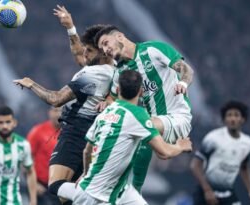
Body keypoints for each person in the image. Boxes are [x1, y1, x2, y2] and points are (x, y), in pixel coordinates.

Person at [54, 70, 192, 205]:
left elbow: (87, 151)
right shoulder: (138, 115)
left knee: (55, 186)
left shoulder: (105, 113)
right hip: (98, 196)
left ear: (118, 89)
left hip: (109, 188)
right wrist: (181, 146)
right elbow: (164, 152)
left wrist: (85, 174)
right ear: (141, 92)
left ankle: (57, 187)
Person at [13, 24, 115, 204]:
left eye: (89, 50)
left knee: (55, 186)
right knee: (67, 194)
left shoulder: (92, 74)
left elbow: (56, 99)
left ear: (102, 52)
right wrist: (70, 28)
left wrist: (31, 84)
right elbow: (78, 54)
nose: (84, 54)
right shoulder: (112, 68)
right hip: (93, 133)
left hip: (75, 132)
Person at [95, 25, 194, 191]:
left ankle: (129, 189)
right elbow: (112, 97)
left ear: (119, 36)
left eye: (106, 43)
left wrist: (183, 82)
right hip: (155, 125)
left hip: (178, 117)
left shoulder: (153, 50)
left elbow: (186, 69)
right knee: (158, 149)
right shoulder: (121, 72)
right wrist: (106, 103)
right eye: (102, 48)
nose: (105, 50)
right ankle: (131, 192)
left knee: (138, 126)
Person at [190, 101, 250, 205]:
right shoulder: (213, 138)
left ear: (243, 119)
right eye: (229, 115)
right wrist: (207, 190)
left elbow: (244, 167)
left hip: (227, 193)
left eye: (236, 115)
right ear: (224, 119)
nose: (232, 118)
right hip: (206, 193)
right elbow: (195, 165)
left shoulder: (247, 143)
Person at [27, 107, 62, 205]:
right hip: (41, 186)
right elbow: (26, 160)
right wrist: (35, 184)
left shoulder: (68, 133)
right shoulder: (38, 131)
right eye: (55, 110)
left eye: (61, 111)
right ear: (49, 112)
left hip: (60, 185)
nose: (58, 114)